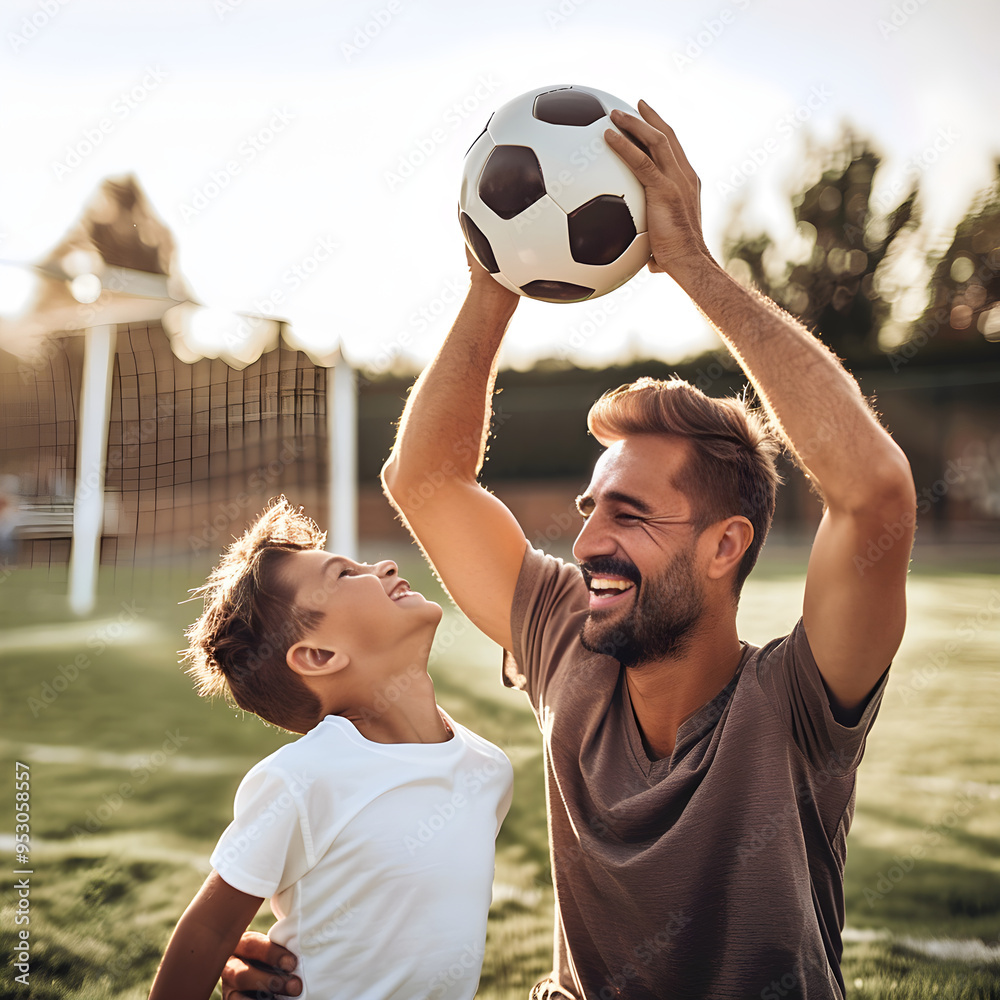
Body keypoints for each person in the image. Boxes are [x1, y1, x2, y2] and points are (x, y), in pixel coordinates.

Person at [222, 102, 916, 999]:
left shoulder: (799, 705)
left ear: (725, 545)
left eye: (630, 514)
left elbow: (875, 493)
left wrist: (695, 267)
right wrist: (495, 282)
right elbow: (425, 479)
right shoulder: (567, 639)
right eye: (591, 509)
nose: (587, 542)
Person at [148, 497, 513, 1000]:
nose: (385, 566)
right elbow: (211, 929)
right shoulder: (302, 779)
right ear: (319, 656)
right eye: (345, 574)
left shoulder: (488, 769)